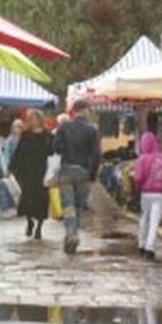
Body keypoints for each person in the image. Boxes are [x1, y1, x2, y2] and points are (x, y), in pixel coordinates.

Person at [53, 99, 101, 254]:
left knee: (68, 206)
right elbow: (96, 155)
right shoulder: (91, 130)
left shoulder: (64, 127)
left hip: (66, 169)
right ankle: (73, 234)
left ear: (73, 111)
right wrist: (92, 174)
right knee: (78, 206)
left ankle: (71, 234)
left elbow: (56, 147)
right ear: (85, 111)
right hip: (83, 172)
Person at [132, 131, 162, 260]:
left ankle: (141, 244)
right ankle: (149, 249)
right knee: (154, 221)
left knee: (144, 218)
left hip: (145, 194)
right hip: (159, 194)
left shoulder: (141, 159)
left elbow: (138, 178)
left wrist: (138, 189)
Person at [11, 109, 53, 239]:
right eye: (29, 119)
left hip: (42, 171)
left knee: (42, 199)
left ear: (39, 119)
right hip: (28, 171)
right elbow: (18, 153)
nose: (31, 121)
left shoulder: (48, 136)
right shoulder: (26, 135)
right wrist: (12, 167)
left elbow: (53, 153)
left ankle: (39, 227)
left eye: (33, 118)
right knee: (27, 198)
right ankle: (30, 221)